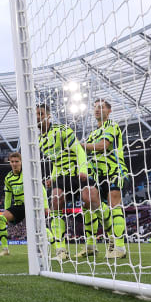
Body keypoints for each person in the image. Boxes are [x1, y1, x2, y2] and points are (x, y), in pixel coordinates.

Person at [36, 103, 95, 261]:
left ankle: (92, 244)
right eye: (35, 114)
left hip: (77, 173)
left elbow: (79, 149)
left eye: (41, 114)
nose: (37, 117)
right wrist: (52, 178)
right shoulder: (40, 141)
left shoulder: (62, 130)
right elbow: (56, 162)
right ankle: (61, 250)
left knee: (90, 199)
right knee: (55, 198)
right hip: (62, 177)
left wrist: (83, 169)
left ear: (48, 116)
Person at [80, 99, 128, 259]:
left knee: (114, 204)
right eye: (95, 108)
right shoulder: (92, 134)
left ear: (109, 111)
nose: (97, 110)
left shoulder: (112, 126)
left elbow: (103, 146)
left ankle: (119, 248)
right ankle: (93, 245)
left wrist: (82, 146)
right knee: (88, 203)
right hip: (96, 174)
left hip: (114, 171)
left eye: (101, 107)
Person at [0, 152, 49, 256]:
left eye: (17, 161)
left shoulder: (28, 173)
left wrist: (45, 206)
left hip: (32, 204)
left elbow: (41, 189)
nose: (14, 164)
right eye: (12, 162)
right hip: (19, 206)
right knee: (1, 218)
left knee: (40, 226)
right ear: (10, 163)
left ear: (21, 162)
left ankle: (58, 249)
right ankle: (5, 249)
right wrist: (6, 211)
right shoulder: (8, 178)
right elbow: (8, 197)